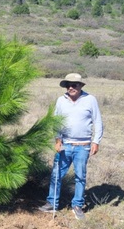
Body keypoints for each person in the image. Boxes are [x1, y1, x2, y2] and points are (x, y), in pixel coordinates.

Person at [39, 73, 103, 220]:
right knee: (56, 175)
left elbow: (97, 121)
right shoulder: (61, 100)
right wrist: (57, 140)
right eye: (68, 85)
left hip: (83, 146)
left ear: (81, 86)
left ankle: (77, 205)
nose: (71, 87)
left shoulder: (90, 100)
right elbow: (56, 121)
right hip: (65, 144)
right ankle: (52, 203)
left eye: (74, 85)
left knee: (80, 176)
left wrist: (96, 141)